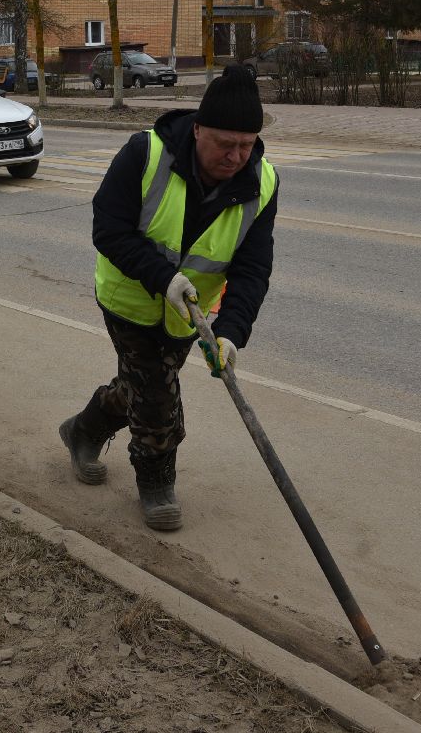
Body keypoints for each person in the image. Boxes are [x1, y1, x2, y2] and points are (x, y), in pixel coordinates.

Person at [58, 64, 278, 531]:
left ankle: (84, 429)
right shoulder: (146, 153)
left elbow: (253, 269)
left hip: (189, 317)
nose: (237, 156)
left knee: (139, 385)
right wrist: (164, 278)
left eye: (247, 145)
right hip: (129, 301)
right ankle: (156, 479)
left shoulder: (263, 183)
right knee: (157, 392)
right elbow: (109, 228)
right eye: (225, 144)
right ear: (198, 129)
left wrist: (232, 333)